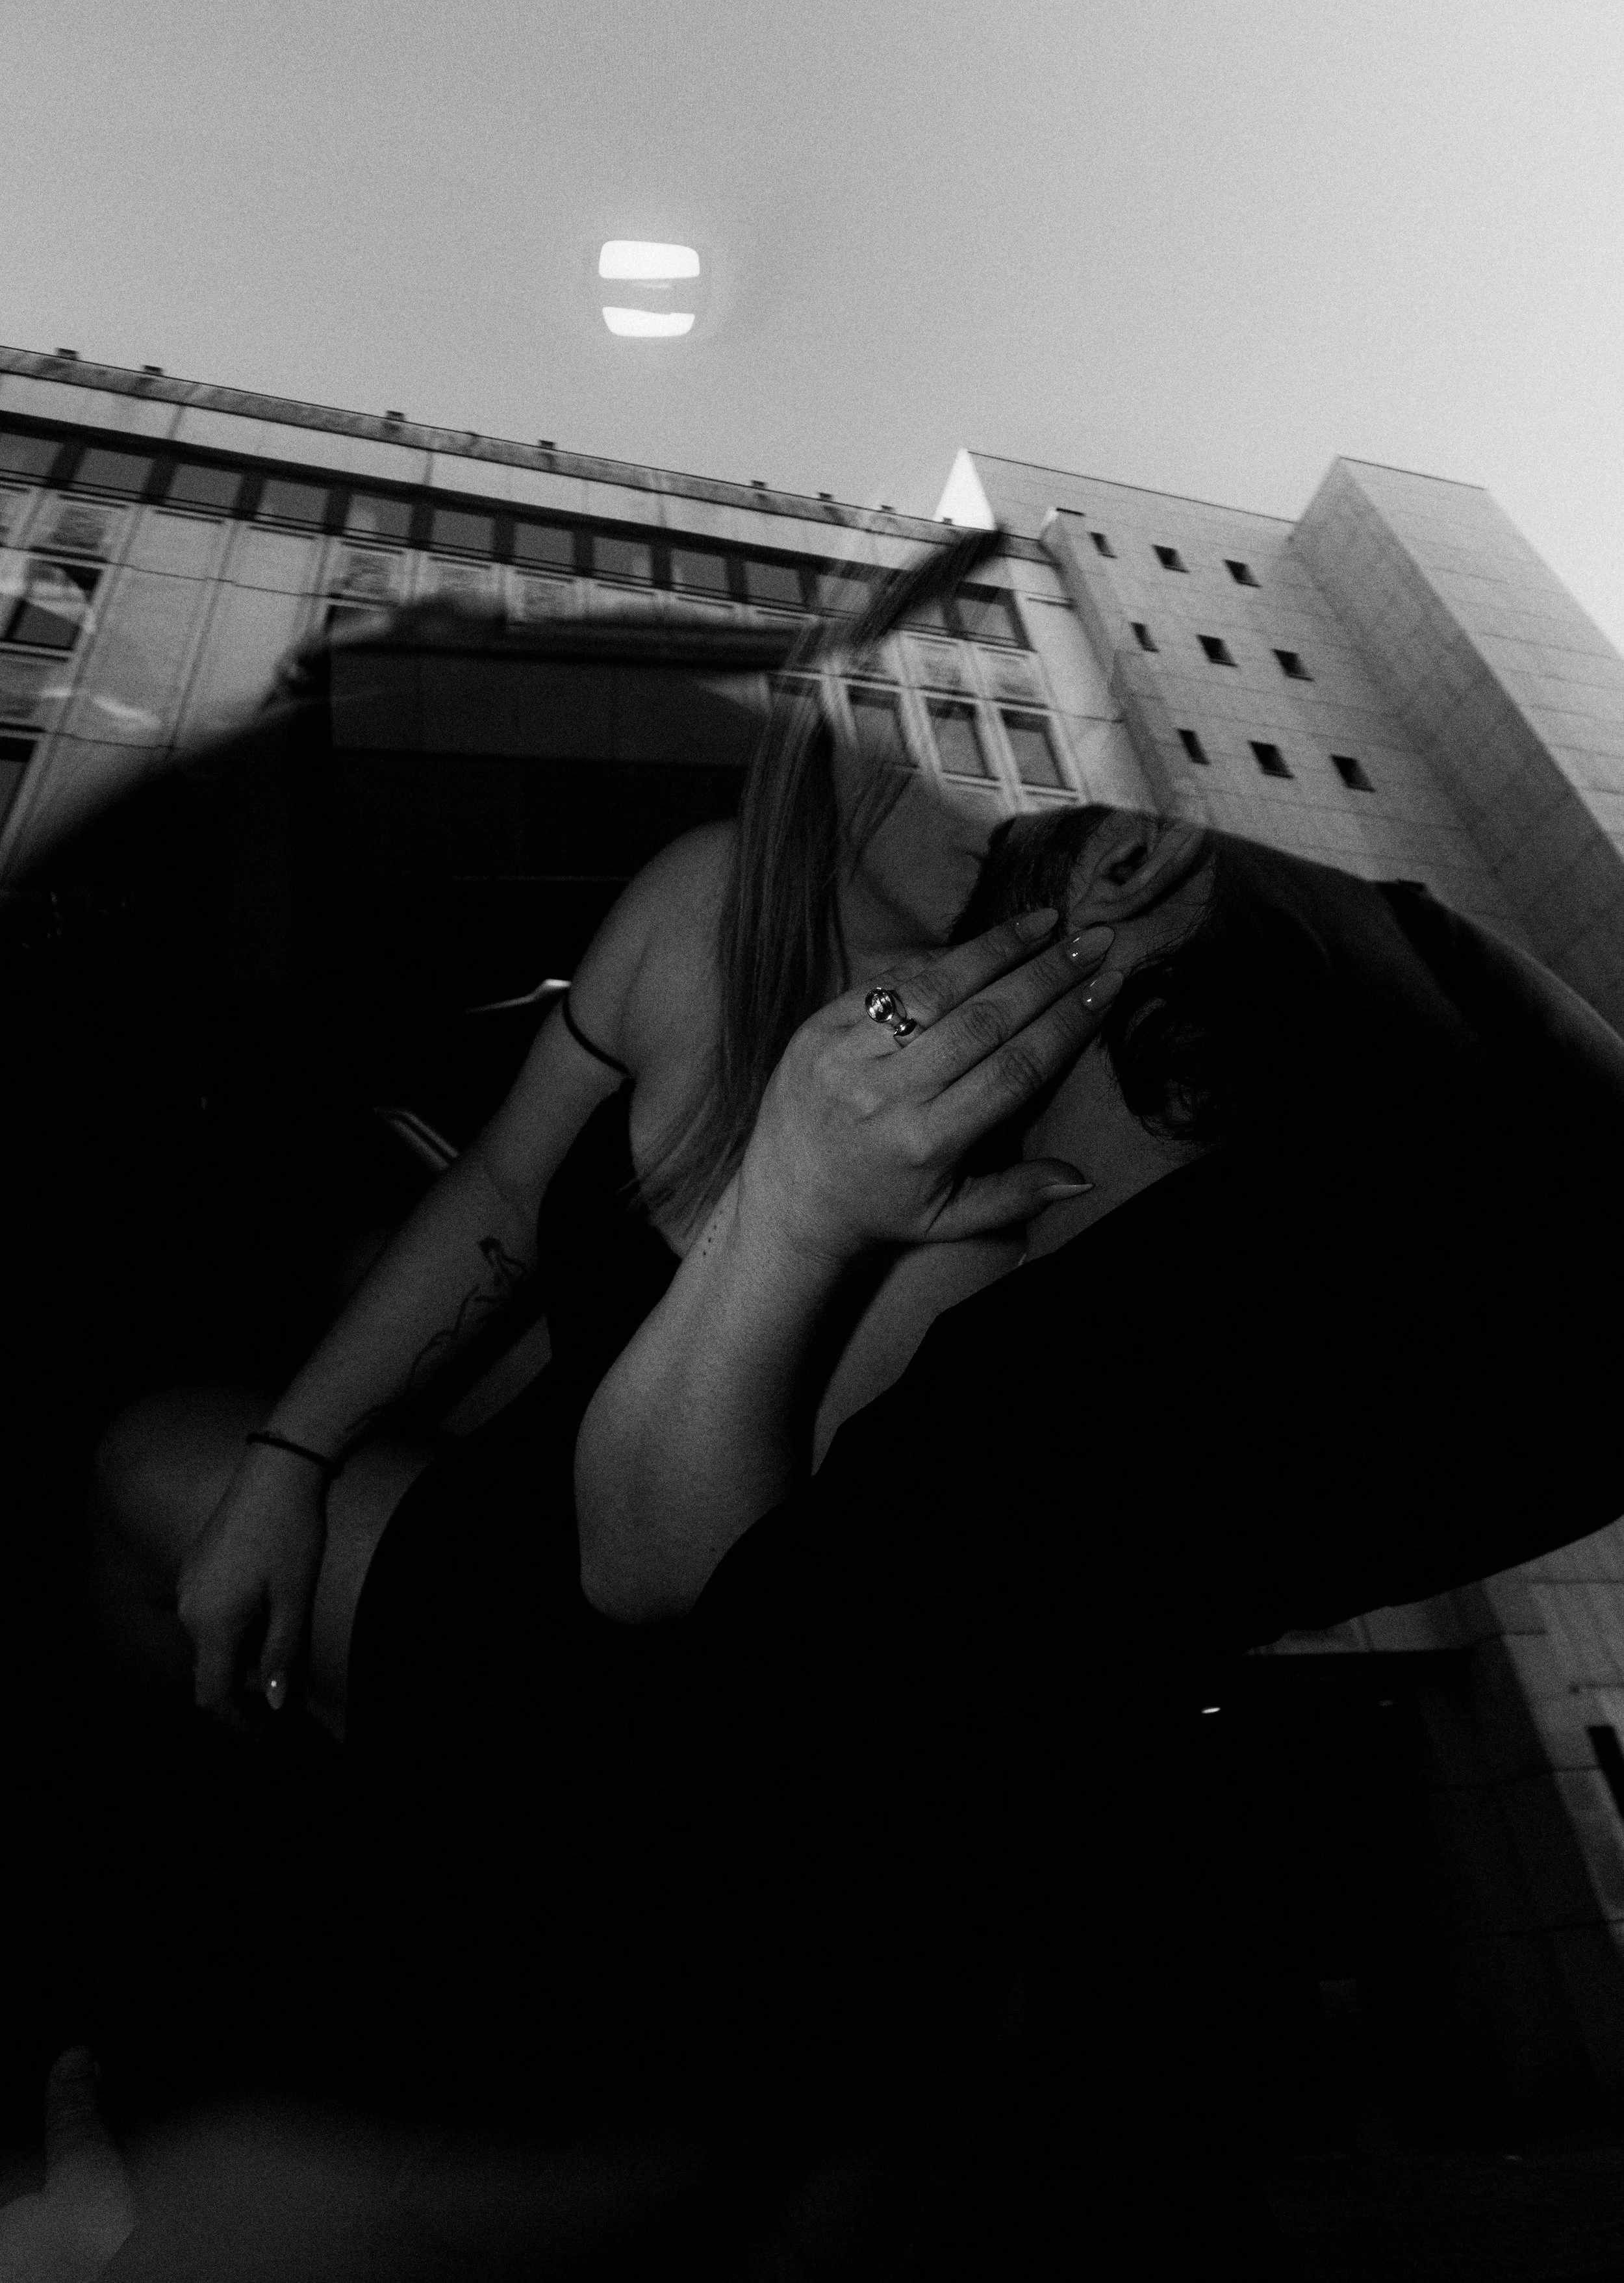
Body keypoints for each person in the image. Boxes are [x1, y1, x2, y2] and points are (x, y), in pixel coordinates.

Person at [79, 531, 1122, 2124]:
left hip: (697, 1706)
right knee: (166, 1475)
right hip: (512, 1529)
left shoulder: (1016, 1118)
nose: (943, 787)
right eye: (881, 719)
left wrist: (805, 1197)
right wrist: (294, 1454)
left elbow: (678, 1586)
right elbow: (502, 1182)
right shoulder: (712, 900)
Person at [572, 803, 1624, 2273]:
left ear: (1126, 873)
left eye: (956, 960)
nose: (934, 1032)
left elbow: (658, 1575)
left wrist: (797, 1204)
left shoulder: (1115, 1317)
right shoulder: (1444, 1036)